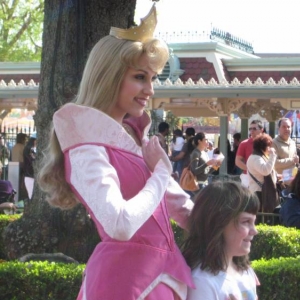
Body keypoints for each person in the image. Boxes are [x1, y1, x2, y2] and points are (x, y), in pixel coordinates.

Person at [38, 5, 194, 300]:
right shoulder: (87, 144)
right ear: (109, 76)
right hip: (122, 286)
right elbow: (119, 224)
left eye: (152, 79)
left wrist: (233, 226)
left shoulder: (137, 142)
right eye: (139, 77)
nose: (150, 90)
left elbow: (183, 209)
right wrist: (161, 172)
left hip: (166, 282)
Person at [182, 181, 260, 300]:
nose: (254, 231)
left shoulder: (246, 271)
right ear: (218, 223)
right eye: (245, 222)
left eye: (254, 222)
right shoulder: (202, 282)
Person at [247, 134, 278, 213]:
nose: (270, 148)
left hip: (263, 191)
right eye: (268, 146)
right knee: (261, 215)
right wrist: (273, 155)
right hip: (259, 192)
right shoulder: (256, 158)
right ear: (263, 146)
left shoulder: (260, 156)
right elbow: (265, 170)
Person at [235, 120, 264, 187]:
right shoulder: (244, 144)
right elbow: (237, 161)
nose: (252, 131)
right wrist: (249, 169)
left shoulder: (266, 143)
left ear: (261, 130)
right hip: (248, 177)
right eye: (250, 129)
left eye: (254, 128)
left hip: (263, 176)